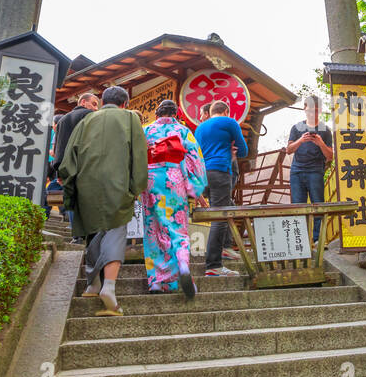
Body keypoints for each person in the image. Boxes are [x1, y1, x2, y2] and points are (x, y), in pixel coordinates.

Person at [58, 86, 148, 316]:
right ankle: (108, 287)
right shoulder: (129, 118)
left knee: (92, 232)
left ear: (103, 101)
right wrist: (136, 187)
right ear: (125, 103)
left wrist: (71, 189)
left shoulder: (86, 121)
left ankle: (92, 284)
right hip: (117, 185)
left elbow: (69, 159)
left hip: (85, 184)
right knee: (115, 232)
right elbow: (139, 155)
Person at [142, 100, 207, 298]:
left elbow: (136, 156)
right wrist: (194, 187)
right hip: (174, 178)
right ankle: (183, 264)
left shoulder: (147, 130)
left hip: (151, 180)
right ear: (176, 114)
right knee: (177, 227)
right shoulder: (184, 131)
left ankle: (157, 281)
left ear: (157, 114)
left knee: (154, 229)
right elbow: (195, 158)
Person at [194, 99, 249, 276]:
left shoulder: (199, 128)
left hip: (203, 175)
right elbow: (243, 151)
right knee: (220, 217)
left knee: (224, 209)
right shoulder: (229, 122)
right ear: (226, 111)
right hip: (220, 171)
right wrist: (232, 151)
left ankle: (224, 250)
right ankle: (213, 264)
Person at [50, 91, 101, 242]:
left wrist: (59, 171)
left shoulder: (63, 120)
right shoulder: (91, 117)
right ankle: (90, 234)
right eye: (93, 104)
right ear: (83, 102)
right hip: (86, 165)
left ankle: (77, 235)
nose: (96, 108)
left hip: (67, 167)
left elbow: (59, 147)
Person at [286, 94, 334, 241]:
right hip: (297, 171)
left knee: (318, 205)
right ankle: (299, 240)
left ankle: (317, 239)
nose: (312, 112)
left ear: (319, 110)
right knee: (298, 207)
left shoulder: (325, 130)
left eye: (315, 109)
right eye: (309, 109)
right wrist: (301, 139)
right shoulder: (296, 128)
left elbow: (330, 156)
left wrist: (320, 143)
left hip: (315, 171)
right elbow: (288, 150)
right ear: (305, 109)